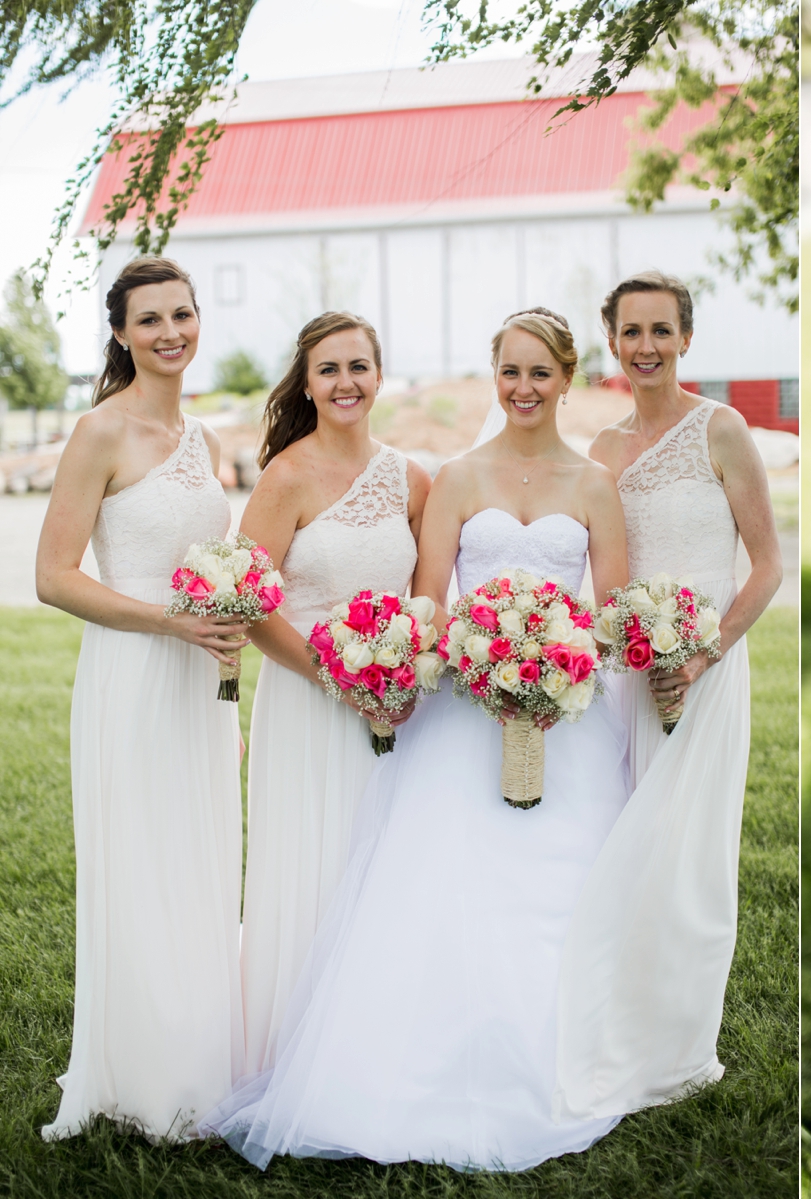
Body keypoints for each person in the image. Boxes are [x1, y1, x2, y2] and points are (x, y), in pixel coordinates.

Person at [203, 308, 632, 1170]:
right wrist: (472, 656)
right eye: (509, 371)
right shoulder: (454, 480)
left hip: (565, 711)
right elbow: (429, 601)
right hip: (461, 706)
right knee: (437, 880)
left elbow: (614, 615)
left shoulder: (592, 486)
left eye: (539, 373)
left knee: (563, 885)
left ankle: (564, 1045)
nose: (522, 387)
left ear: (566, 377)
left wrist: (558, 654)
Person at [557, 270, 782, 1118]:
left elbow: (766, 567)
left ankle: (681, 1042)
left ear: (686, 338)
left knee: (687, 855)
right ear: (611, 341)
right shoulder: (603, 453)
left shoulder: (722, 430)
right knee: (622, 838)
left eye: (662, 330)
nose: (646, 346)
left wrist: (704, 654)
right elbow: (596, 573)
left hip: (706, 668)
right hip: (624, 670)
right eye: (631, 332)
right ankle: (617, 1011)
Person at [35, 256, 246, 1139]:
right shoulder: (100, 431)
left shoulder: (204, 439)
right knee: (142, 861)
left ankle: (203, 1051)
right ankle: (144, 1071)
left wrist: (226, 671)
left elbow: (220, 574)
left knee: (199, 860)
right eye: (150, 319)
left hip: (203, 679)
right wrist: (167, 624)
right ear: (120, 333)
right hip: (134, 672)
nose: (171, 332)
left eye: (183, 314)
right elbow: (51, 577)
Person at [235, 311, 430, 1074]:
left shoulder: (412, 479)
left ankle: (374, 1046)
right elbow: (250, 604)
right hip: (306, 698)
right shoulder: (285, 476)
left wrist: (398, 675)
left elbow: (424, 596)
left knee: (379, 864)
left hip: (394, 708)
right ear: (307, 383)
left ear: (379, 376)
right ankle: (292, 1053)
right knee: (309, 864)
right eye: (329, 369)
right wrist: (337, 678)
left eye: (359, 366)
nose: (345, 382)